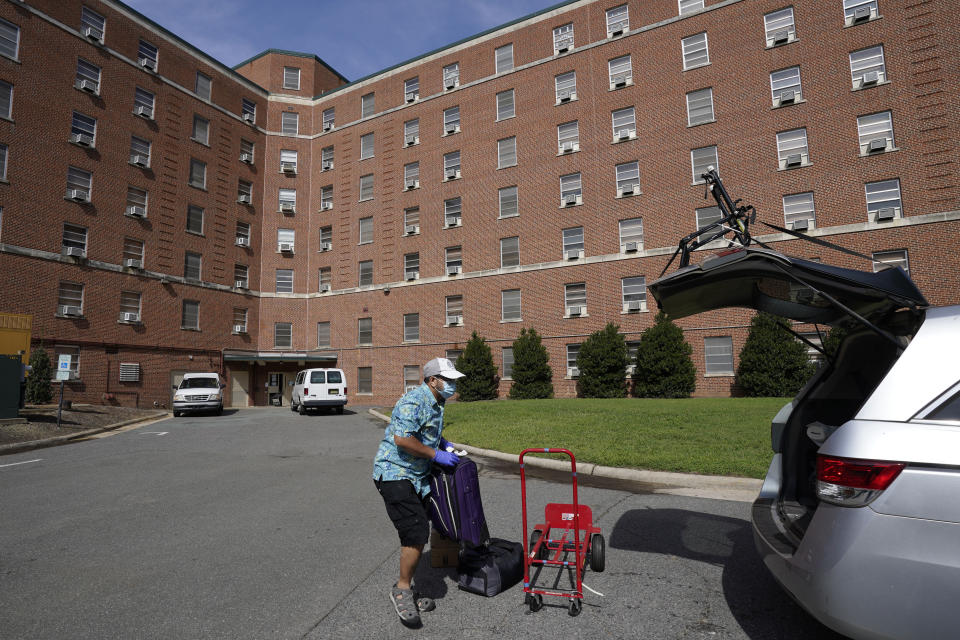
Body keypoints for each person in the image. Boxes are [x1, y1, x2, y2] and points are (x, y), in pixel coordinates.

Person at [373, 357, 465, 628]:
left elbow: (424, 432)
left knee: (418, 529)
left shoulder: (437, 401)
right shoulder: (414, 400)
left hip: (418, 476)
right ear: (432, 380)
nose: (452, 385)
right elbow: (403, 438)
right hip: (394, 473)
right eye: (448, 380)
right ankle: (402, 590)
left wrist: (444, 445)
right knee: (415, 533)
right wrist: (435, 454)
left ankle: (408, 585)